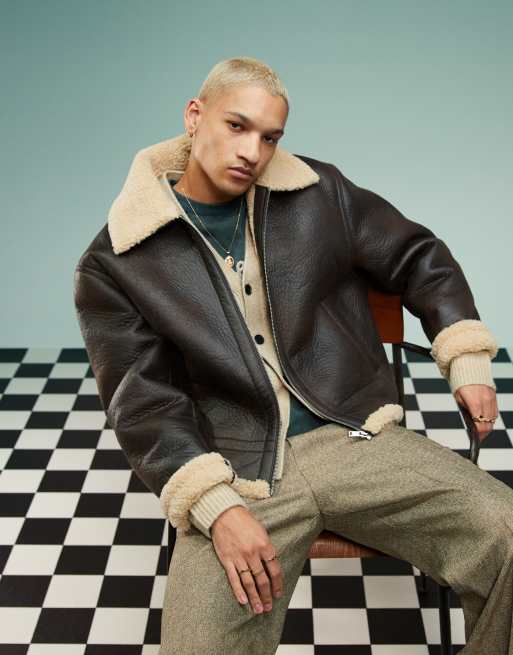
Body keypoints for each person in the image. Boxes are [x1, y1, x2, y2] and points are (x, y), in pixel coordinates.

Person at [73, 56, 512, 654]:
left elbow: (418, 256)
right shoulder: (116, 260)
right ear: (194, 116)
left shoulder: (317, 192)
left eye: (270, 137)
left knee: (507, 533)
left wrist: (465, 358)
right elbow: (144, 404)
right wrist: (216, 508)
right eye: (237, 126)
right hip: (236, 469)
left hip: (353, 435)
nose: (252, 151)